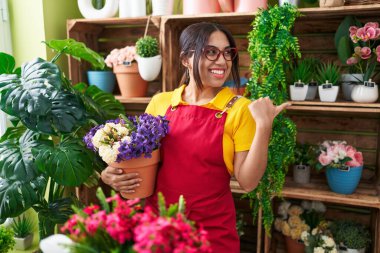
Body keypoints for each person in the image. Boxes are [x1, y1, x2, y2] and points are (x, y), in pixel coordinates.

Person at [101, 22, 289, 253]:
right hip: (160, 229)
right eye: (210, 52)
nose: (222, 61)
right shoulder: (161, 103)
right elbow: (143, 165)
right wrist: (114, 174)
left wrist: (264, 126)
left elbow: (248, 182)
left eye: (227, 53)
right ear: (186, 59)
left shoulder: (240, 109)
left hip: (211, 234)